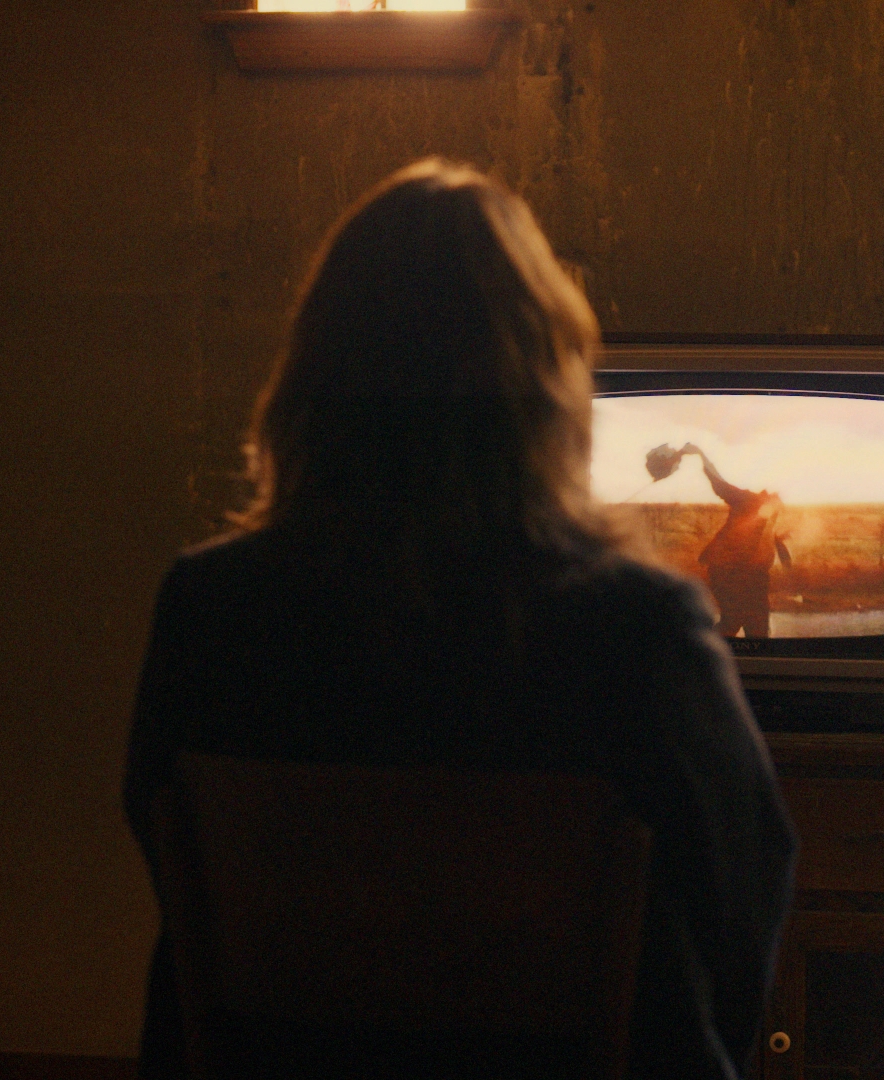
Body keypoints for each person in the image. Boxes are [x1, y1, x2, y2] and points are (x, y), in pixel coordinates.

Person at [123, 159, 795, 1080]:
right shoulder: (636, 627)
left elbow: (172, 863)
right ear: (546, 389)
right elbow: (741, 898)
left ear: (310, 379)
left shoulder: (207, 608)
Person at [681, 444, 791, 638]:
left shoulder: (769, 513)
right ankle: (702, 647)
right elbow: (719, 484)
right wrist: (702, 455)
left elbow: (764, 536)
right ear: (767, 495)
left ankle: (753, 653)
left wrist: (783, 555)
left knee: (757, 625)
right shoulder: (747, 500)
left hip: (755, 575)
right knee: (733, 620)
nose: (779, 504)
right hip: (729, 570)